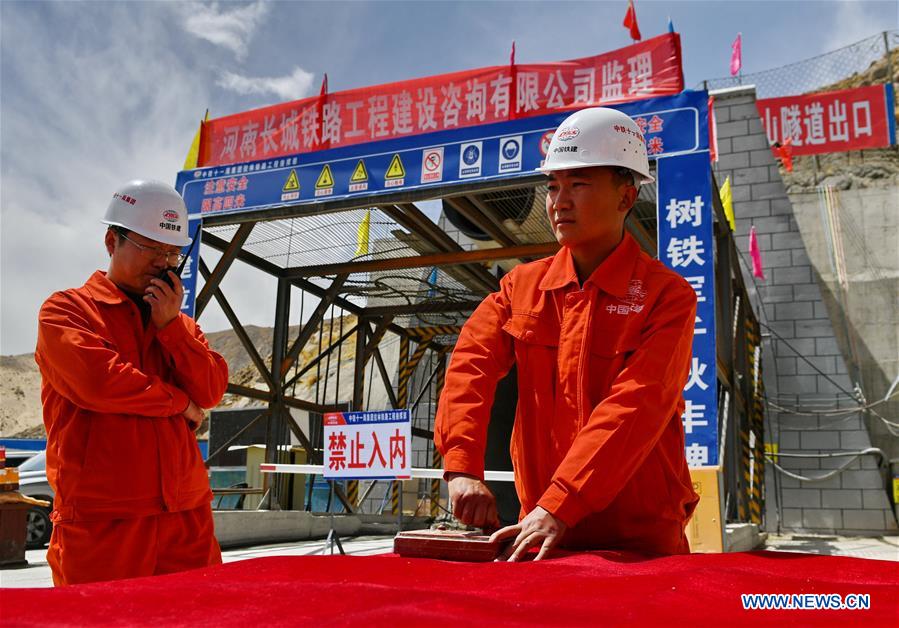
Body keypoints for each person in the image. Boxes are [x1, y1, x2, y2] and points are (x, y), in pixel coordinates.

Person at [435, 108, 700, 562]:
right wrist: (461, 467)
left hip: (638, 538)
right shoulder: (522, 288)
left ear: (626, 196)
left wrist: (561, 502)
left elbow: (637, 403)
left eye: (578, 184)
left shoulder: (666, 297)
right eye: (553, 186)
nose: (559, 201)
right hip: (540, 532)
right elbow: (470, 365)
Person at [35, 180, 228, 585]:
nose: (164, 263)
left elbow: (210, 391)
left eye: (172, 252)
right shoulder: (67, 311)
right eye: (151, 248)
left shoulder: (180, 324)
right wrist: (179, 403)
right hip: (104, 521)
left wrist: (172, 329)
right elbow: (100, 382)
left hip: (186, 516)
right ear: (111, 240)